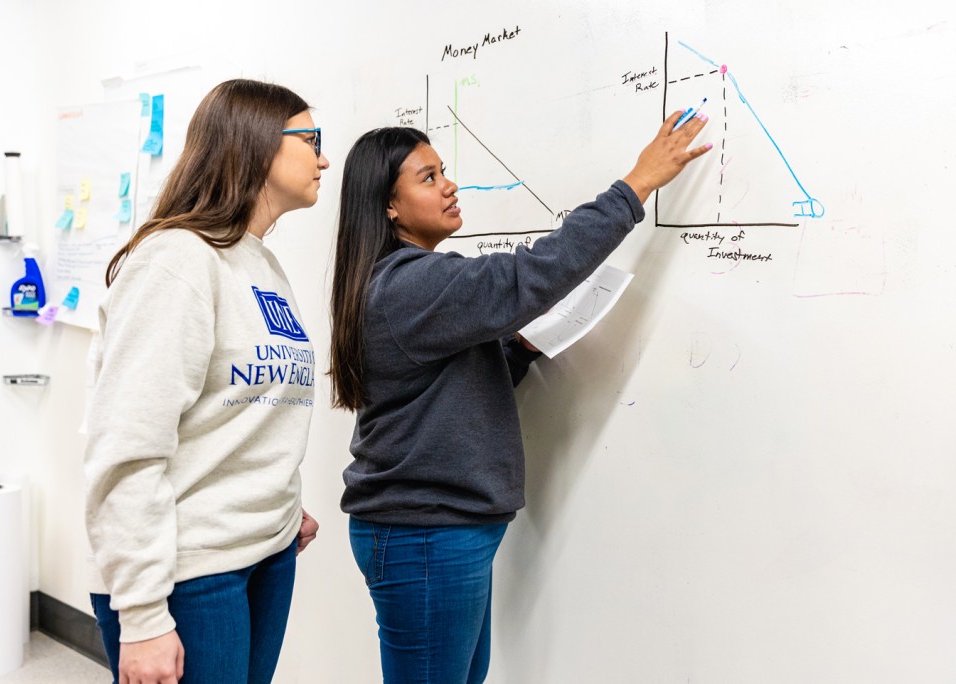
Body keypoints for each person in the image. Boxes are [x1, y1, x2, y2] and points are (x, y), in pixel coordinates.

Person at [328, 111, 711, 683]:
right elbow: (531, 274)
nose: (449, 185)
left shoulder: (406, 282)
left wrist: (519, 349)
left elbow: (445, 392)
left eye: (443, 172)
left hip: (441, 530)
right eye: (428, 178)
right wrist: (637, 185)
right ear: (388, 205)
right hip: (425, 534)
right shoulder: (410, 283)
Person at [85, 78, 329, 684]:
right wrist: (142, 617)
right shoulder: (177, 260)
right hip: (186, 569)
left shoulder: (259, 263)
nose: (324, 157)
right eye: (312, 139)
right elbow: (126, 446)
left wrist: (277, 500)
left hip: (265, 551)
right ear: (257, 145)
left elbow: (252, 405)